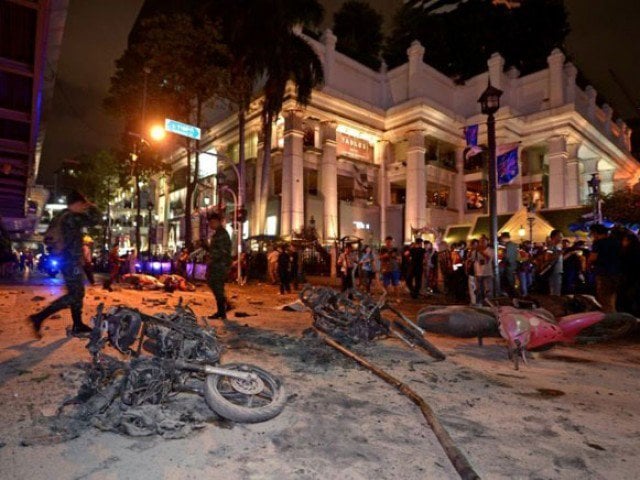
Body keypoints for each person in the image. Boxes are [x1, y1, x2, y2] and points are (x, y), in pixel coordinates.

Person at [28, 191, 101, 338]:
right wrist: (92, 206)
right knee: (75, 294)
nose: (83, 208)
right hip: (70, 259)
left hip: (65, 258)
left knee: (77, 292)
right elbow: (95, 220)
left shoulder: (61, 215)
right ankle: (39, 317)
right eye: (82, 205)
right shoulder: (72, 217)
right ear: (78, 203)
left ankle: (78, 325)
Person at [588, 224, 621, 312]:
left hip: (603, 273)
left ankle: (610, 320)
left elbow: (593, 258)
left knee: (604, 300)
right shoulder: (616, 242)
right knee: (612, 298)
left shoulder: (598, 243)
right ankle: (615, 316)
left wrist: (588, 265)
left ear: (595, 233)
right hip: (616, 273)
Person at [206, 212, 232, 319]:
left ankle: (222, 311)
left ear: (217, 222)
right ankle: (223, 307)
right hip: (216, 264)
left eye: (212, 222)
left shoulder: (222, 234)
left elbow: (222, 252)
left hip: (220, 265)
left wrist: (211, 256)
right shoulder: (217, 234)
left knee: (217, 287)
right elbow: (215, 250)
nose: (210, 225)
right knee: (214, 285)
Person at [473, 236, 494, 305]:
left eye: (483, 241)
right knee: (479, 291)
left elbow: (488, 259)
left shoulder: (490, 250)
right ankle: (479, 304)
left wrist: (480, 252)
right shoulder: (476, 251)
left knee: (488, 291)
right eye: (480, 241)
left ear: (487, 242)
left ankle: (489, 305)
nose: (481, 243)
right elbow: (472, 259)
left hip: (487, 273)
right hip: (478, 273)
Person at [545, 229, 564, 295]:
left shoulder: (558, 246)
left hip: (558, 271)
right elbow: (547, 257)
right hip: (554, 272)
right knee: (555, 291)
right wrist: (558, 254)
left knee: (557, 290)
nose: (562, 238)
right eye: (560, 236)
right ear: (555, 237)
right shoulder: (551, 247)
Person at [499, 232, 519, 297]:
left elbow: (503, 256)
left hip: (506, 266)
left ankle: (509, 293)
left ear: (503, 237)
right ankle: (513, 292)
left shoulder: (504, 245)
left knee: (506, 280)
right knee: (512, 280)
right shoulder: (515, 245)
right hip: (514, 265)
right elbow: (518, 256)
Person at [465, 239, 479, 305]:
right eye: (474, 245)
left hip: (477, 272)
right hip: (472, 272)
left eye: (476, 245)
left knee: (474, 287)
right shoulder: (470, 252)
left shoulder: (475, 252)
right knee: (472, 287)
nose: (475, 246)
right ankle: (473, 301)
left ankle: (474, 301)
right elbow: (468, 262)